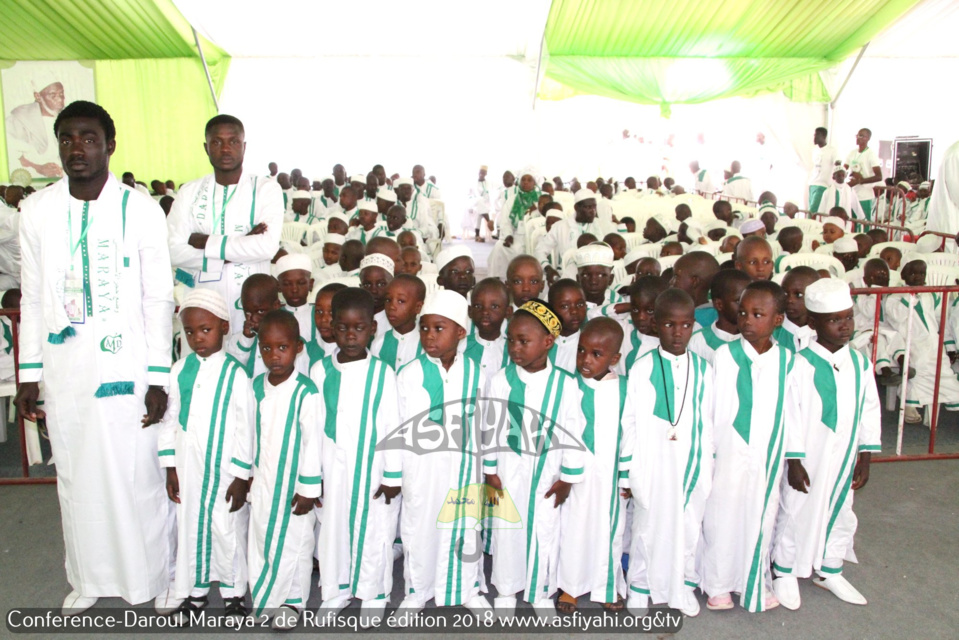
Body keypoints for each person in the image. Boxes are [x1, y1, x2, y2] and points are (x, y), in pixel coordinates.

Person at [16, 100, 176, 614]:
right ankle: (89, 576)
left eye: (88, 138)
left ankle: (154, 576)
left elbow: (158, 298)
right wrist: (29, 373)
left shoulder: (141, 209)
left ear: (110, 144)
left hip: (129, 366)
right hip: (67, 370)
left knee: (138, 474)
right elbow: (36, 295)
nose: (76, 148)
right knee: (76, 475)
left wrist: (157, 374)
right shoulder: (37, 210)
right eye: (66, 138)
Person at [772, 278, 881, 610]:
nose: (845, 326)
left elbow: (870, 410)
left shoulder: (860, 363)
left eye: (848, 317)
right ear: (815, 322)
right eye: (835, 320)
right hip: (809, 456)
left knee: (842, 509)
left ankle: (829, 568)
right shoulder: (800, 365)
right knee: (797, 508)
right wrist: (793, 460)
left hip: (845, 455)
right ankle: (785, 570)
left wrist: (866, 454)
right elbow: (788, 415)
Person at [391, 290, 490, 623]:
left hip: (464, 470)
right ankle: (417, 592)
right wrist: (397, 474)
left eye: (439, 329)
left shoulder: (476, 372)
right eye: (424, 328)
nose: (429, 337)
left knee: (466, 529)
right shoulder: (408, 374)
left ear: (461, 332)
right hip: (422, 471)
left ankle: (468, 590)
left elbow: (485, 423)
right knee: (419, 530)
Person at [483, 300, 585, 619]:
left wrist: (568, 477)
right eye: (511, 340)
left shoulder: (565, 385)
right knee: (507, 530)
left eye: (523, 341)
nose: (515, 347)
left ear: (548, 342)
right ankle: (506, 588)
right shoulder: (501, 380)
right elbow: (489, 426)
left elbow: (573, 430)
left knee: (545, 531)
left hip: (547, 474)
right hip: (509, 471)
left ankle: (541, 590)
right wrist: (490, 471)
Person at [157, 289, 252, 620]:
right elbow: (170, 420)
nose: (198, 338)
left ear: (224, 327)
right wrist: (170, 467)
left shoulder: (236, 374)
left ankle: (234, 593)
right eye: (190, 331)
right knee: (192, 528)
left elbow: (245, 429)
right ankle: (194, 593)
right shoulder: (179, 370)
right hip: (188, 467)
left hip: (225, 471)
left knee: (227, 531)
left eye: (206, 329)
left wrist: (242, 477)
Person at [310, 288, 401, 626]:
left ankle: (373, 592)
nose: (350, 335)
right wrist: (313, 475)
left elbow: (393, 425)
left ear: (372, 329)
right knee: (333, 530)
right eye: (343, 327)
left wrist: (393, 476)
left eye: (359, 327)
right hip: (333, 468)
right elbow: (315, 427)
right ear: (332, 327)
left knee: (375, 530)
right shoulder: (320, 371)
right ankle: (337, 590)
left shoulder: (382, 373)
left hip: (374, 470)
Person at [703, 281, 793, 613]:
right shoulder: (723, 356)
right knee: (720, 516)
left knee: (761, 514)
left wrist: (794, 457)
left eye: (758, 314)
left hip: (767, 453)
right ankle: (717, 584)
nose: (748, 321)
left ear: (778, 319)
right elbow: (709, 409)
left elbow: (792, 412)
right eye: (743, 313)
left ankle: (752, 582)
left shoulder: (787, 361)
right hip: (727, 452)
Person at [624, 288, 714, 617]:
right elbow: (630, 421)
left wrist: (707, 465)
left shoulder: (705, 370)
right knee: (647, 526)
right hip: (651, 462)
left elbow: (710, 421)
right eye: (669, 325)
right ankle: (640, 587)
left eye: (686, 325)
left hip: (691, 461)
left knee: (689, 526)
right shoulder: (642, 367)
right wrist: (629, 469)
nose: (678, 333)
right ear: (655, 324)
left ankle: (683, 585)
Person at [241, 310, 322, 629]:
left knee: (296, 543)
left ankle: (293, 600)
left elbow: (312, 444)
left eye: (282, 347)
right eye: (266, 348)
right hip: (263, 481)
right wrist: (246, 476)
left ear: (298, 347)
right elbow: (246, 435)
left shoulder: (306, 391)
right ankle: (266, 600)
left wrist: (307, 489)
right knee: (261, 539)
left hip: (294, 487)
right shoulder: (255, 387)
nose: (274, 356)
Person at [168, 115, 283, 332]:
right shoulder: (189, 192)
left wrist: (206, 242)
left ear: (244, 146)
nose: (226, 149)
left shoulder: (265, 189)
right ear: (206, 147)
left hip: (253, 304)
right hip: (202, 301)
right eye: (217, 142)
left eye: (233, 141)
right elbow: (173, 250)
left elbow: (267, 247)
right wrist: (241, 244)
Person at [557, 318, 633, 613]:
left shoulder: (624, 389)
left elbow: (630, 434)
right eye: (581, 350)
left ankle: (607, 586)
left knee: (611, 531)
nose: (585, 360)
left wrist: (625, 478)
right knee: (574, 530)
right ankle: (570, 587)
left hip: (610, 477)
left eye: (596, 354)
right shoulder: (568, 385)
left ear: (614, 358)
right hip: (575, 476)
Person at [884, 259, 959, 423]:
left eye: (922, 273)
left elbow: (941, 320)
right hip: (910, 339)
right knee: (918, 366)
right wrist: (912, 297)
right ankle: (911, 403)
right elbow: (896, 317)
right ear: (903, 275)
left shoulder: (932, 294)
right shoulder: (895, 296)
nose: (918, 277)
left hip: (933, 341)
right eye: (912, 273)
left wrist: (949, 346)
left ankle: (947, 400)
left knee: (943, 369)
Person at [538, 190, 614, 285]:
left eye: (594, 207)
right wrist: (548, 268)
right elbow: (540, 250)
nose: (593, 211)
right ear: (576, 207)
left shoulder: (602, 225)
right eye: (588, 207)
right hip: (567, 275)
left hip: (596, 278)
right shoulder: (560, 226)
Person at [7, 72, 65, 178]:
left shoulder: (69, 118)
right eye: (53, 95)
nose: (60, 99)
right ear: (38, 96)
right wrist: (38, 168)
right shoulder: (19, 118)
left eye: (61, 94)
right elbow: (9, 153)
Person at [688, 269, 750, 365]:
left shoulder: (756, 338)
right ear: (719, 304)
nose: (746, 307)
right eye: (738, 301)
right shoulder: (696, 342)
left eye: (748, 300)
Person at [488, 170, 540, 280]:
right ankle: (497, 281)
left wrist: (538, 207)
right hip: (517, 237)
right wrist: (508, 235)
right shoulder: (512, 200)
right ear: (519, 182)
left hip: (536, 238)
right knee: (499, 247)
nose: (526, 182)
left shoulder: (541, 200)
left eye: (529, 180)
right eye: (523, 180)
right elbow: (505, 221)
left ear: (534, 183)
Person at [370, 274, 426, 371]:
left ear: (418, 307)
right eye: (388, 300)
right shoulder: (378, 343)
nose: (392, 306)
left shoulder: (426, 343)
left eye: (401, 301)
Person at [619, 276, 666, 374]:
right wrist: (626, 307)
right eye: (635, 309)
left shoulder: (672, 341)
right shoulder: (624, 330)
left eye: (649, 311)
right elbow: (591, 315)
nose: (641, 317)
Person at [464, 277, 511, 373]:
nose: (485, 312)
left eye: (494, 306)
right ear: (470, 311)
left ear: (507, 312)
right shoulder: (461, 346)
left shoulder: (512, 350)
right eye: (478, 306)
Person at [670, 251, 721, 328]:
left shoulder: (689, 320)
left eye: (676, 277)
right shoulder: (719, 313)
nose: (671, 282)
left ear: (694, 281)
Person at [776, 267, 820, 353]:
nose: (789, 300)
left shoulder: (823, 332)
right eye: (785, 293)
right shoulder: (772, 334)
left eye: (798, 295)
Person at [548, 279, 588, 372]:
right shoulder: (540, 342)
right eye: (565, 306)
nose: (574, 311)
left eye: (580, 304)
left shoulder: (588, 346)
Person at [844, 128, 883, 221]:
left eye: (861, 136)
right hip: (852, 193)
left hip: (865, 195)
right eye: (857, 135)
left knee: (863, 224)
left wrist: (860, 181)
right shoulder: (852, 153)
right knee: (851, 221)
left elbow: (879, 176)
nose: (858, 138)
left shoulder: (871, 154)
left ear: (867, 138)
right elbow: (844, 168)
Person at [306, 282, 346, 367]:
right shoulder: (305, 351)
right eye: (319, 311)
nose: (323, 319)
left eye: (331, 312)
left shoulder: (354, 353)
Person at [276, 253, 314, 343]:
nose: (294, 290)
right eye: (287, 284)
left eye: (301, 283)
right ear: (279, 287)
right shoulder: (275, 316)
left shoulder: (320, 314)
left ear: (311, 284)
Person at [809, 127, 838, 212]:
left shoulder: (832, 150)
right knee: (811, 209)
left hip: (823, 185)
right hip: (812, 184)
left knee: (813, 210)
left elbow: (837, 163)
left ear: (824, 136)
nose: (814, 137)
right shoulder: (814, 150)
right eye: (814, 135)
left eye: (817, 135)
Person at [467, 165, 492, 242]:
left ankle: (477, 235)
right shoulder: (473, 183)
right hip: (474, 203)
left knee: (479, 211)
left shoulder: (488, 183)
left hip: (484, 204)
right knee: (479, 202)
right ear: (478, 173)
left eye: (483, 173)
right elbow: (469, 195)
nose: (481, 174)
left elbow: (489, 195)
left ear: (486, 174)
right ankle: (489, 221)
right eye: (481, 172)